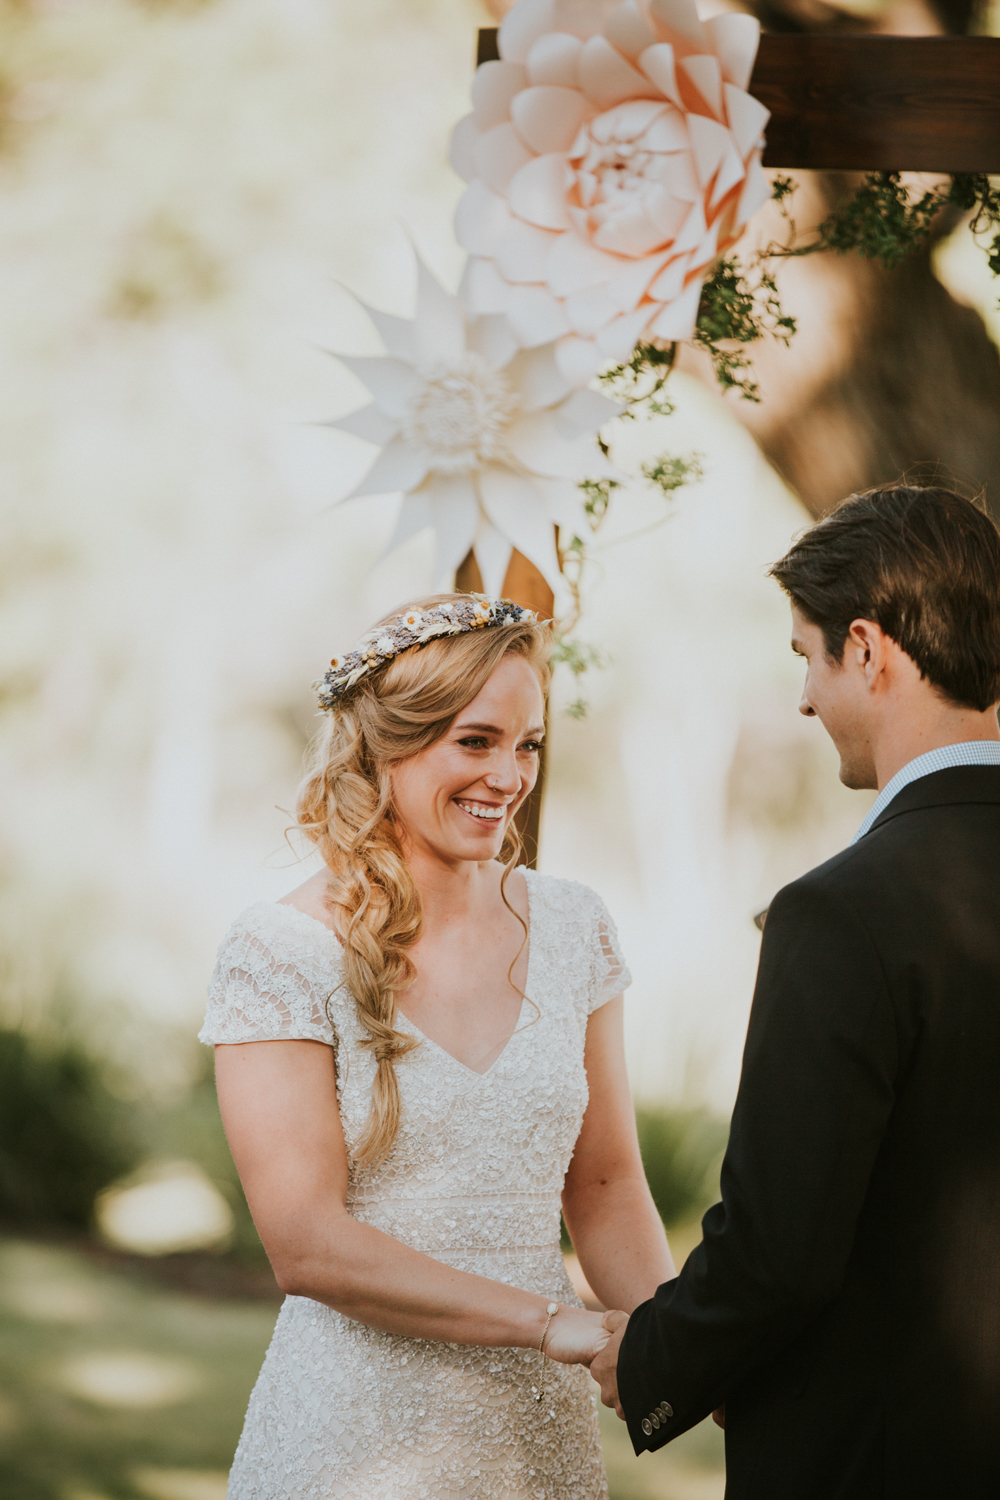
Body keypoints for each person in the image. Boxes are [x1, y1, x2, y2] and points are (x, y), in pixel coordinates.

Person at [200, 592, 673, 1500]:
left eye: (528, 743)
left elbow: (608, 1185)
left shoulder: (575, 927)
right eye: (477, 741)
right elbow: (307, 1244)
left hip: (538, 1440)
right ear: (389, 741)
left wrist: (682, 1347)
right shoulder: (280, 951)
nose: (509, 775)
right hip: (351, 1436)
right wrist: (547, 1323)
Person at [591, 484, 1000, 1498]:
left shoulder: (843, 911)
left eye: (805, 659)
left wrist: (653, 1359)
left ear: (866, 648)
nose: (805, 701)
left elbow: (781, 1249)